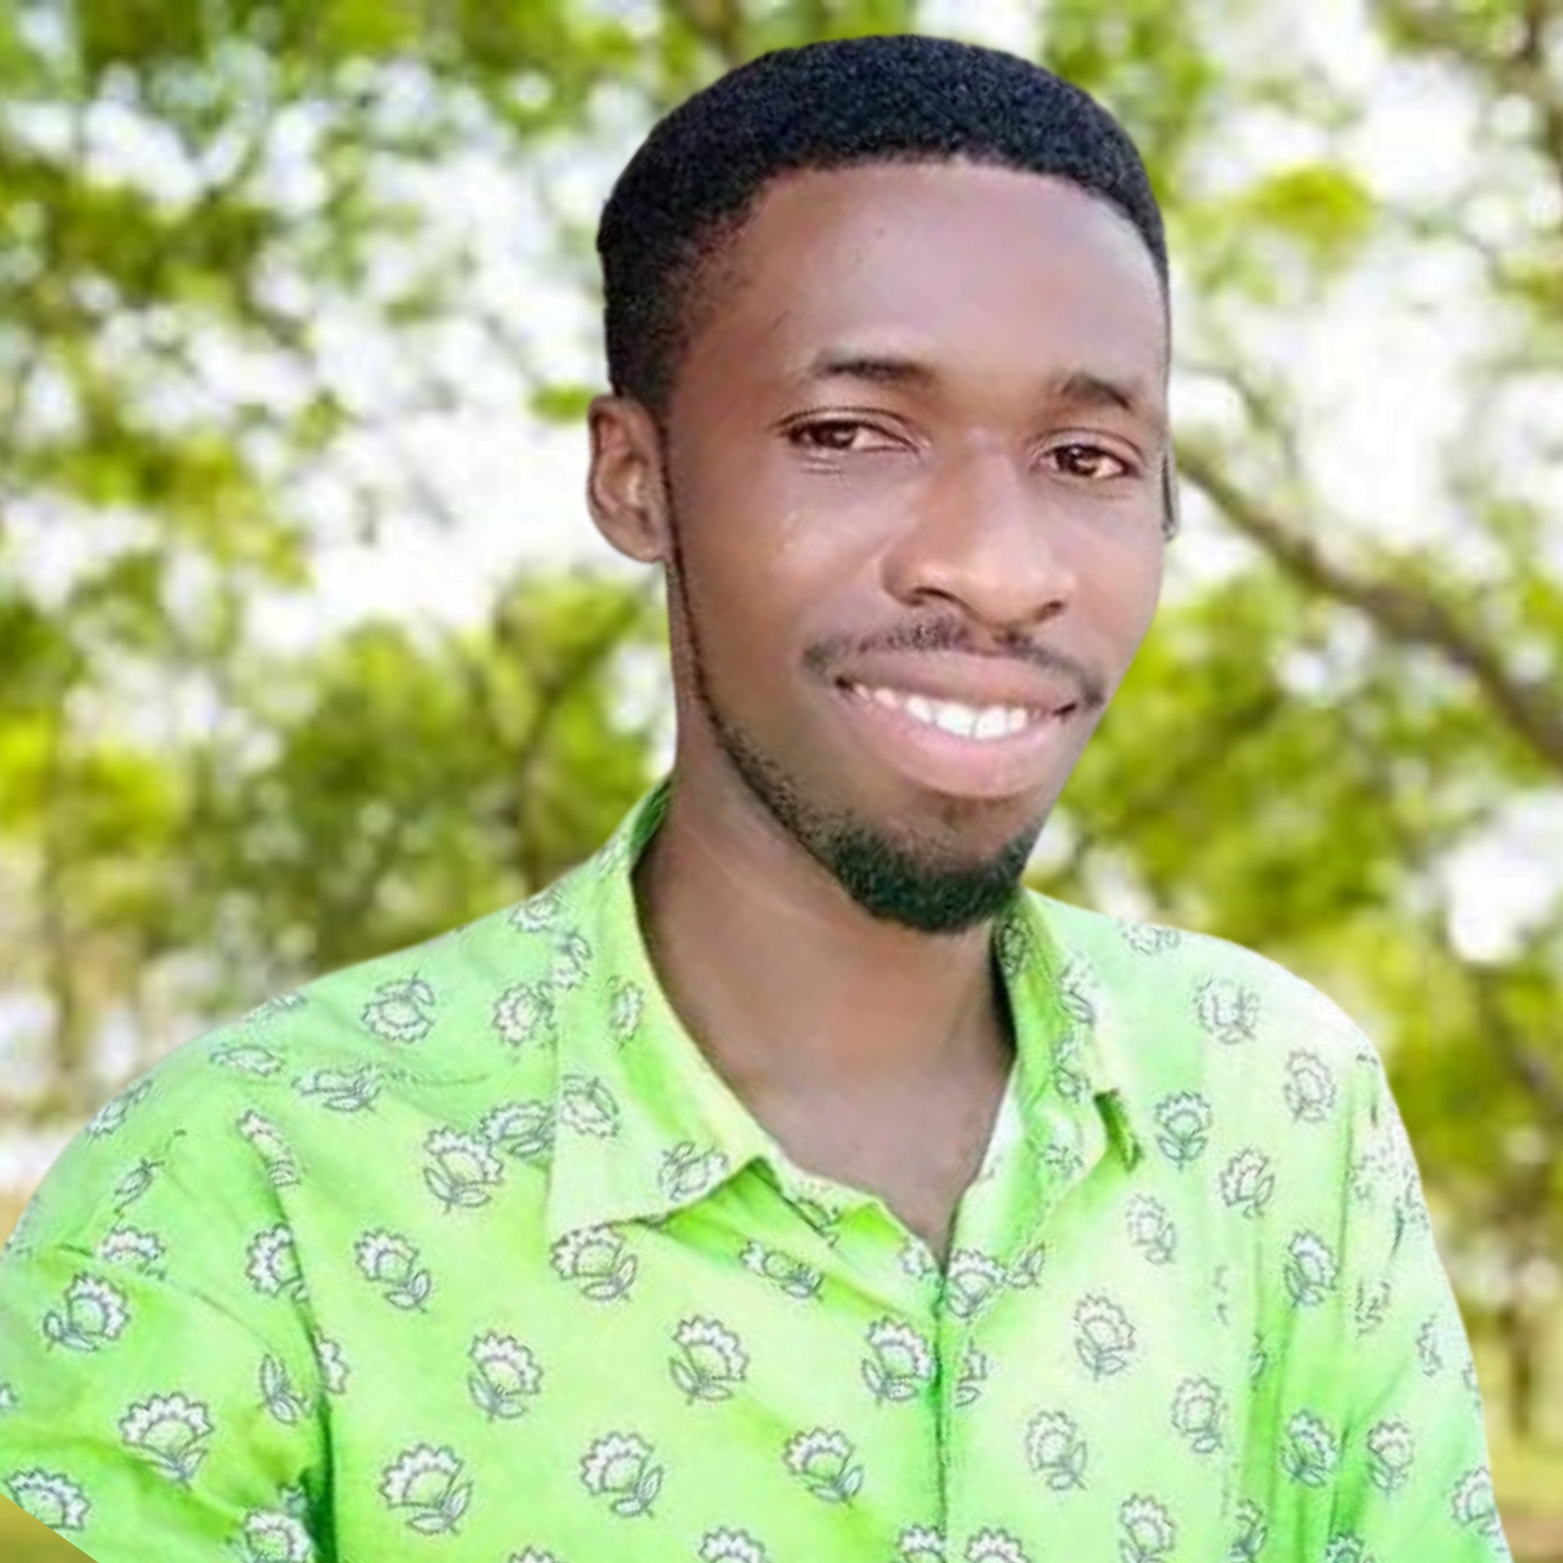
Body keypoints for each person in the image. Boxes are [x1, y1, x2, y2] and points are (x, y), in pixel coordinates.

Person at [0, 32, 1511, 1563]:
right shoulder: (248, 1189)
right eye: (847, 434)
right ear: (635, 479)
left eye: (1085, 454)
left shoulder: (1276, 1105)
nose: (997, 568)